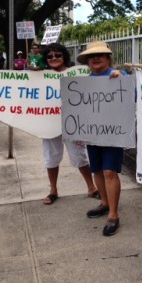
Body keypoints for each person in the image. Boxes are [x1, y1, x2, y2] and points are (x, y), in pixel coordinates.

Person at [77, 41, 127, 236]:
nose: (95, 59)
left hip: (113, 133)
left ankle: (113, 215)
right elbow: (79, 109)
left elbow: (135, 95)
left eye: (100, 55)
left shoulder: (120, 77)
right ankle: (105, 203)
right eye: (92, 56)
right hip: (93, 133)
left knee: (109, 172)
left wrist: (122, 80)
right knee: (96, 169)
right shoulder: (84, 83)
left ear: (108, 58)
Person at [40, 43, 100, 205]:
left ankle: (91, 187)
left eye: (57, 55)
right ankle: (53, 190)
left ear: (64, 56)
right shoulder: (40, 76)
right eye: (50, 56)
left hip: (73, 123)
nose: (54, 58)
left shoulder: (77, 74)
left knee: (80, 156)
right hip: (49, 123)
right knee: (51, 158)